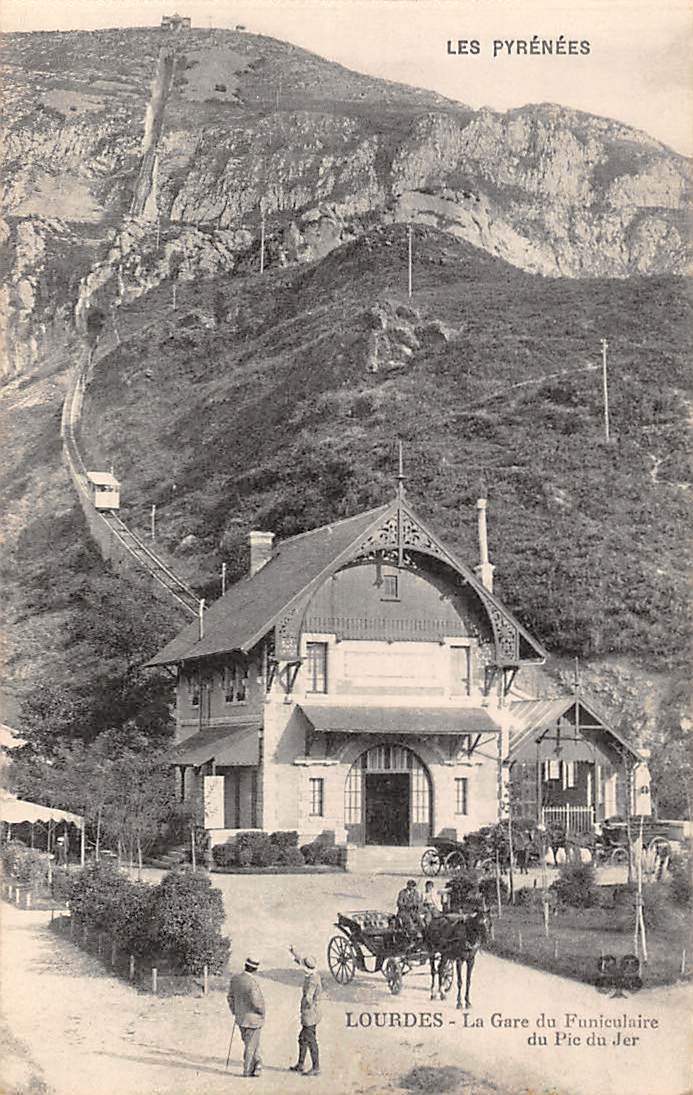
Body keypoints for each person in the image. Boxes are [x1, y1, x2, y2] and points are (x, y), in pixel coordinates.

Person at [227, 957, 265, 1077]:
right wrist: (262, 1012)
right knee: (251, 1045)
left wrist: (234, 1010)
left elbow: (230, 997)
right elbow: (257, 1002)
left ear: (245, 965)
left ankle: (258, 1063)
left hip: (240, 1018)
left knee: (249, 1043)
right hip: (253, 1019)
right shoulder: (252, 983)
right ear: (255, 969)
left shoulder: (235, 979)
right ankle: (247, 1070)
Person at [289, 946, 322, 1077]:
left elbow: (309, 997)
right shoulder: (314, 974)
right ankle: (300, 1064)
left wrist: (304, 1004)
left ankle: (316, 1067)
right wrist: (293, 951)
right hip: (313, 1013)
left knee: (310, 1039)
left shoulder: (312, 980)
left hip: (309, 1014)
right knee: (303, 1038)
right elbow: (301, 960)